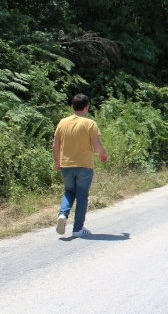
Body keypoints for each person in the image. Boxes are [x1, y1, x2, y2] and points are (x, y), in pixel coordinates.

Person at [52, 94, 108, 237]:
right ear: (87, 107)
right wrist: (103, 153)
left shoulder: (62, 123)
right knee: (82, 196)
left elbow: (55, 145)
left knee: (69, 192)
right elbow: (97, 145)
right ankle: (77, 229)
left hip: (66, 165)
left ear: (72, 107)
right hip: (84, 166)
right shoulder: (89, 124)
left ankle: (62, 215)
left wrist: (58, 161)